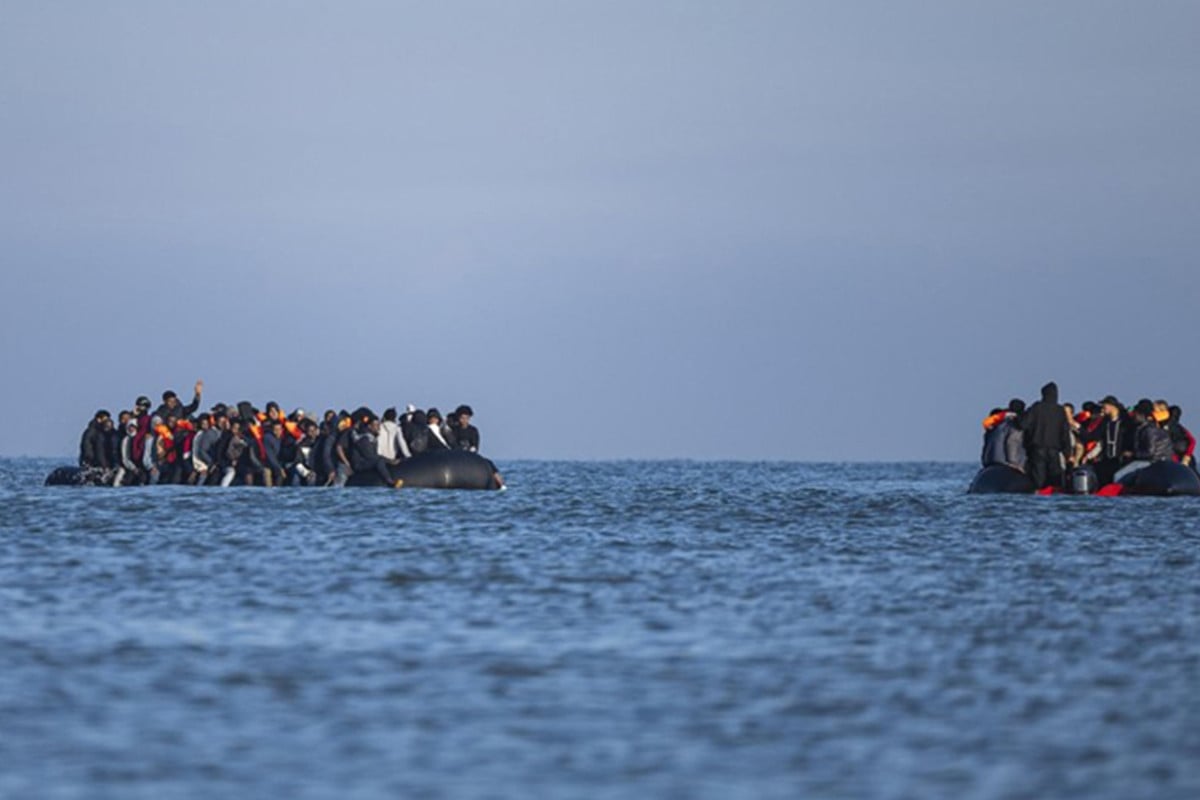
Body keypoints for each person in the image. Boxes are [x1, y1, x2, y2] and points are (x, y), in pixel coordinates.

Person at [1021, 382, 1072, 489]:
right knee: (1055, 480)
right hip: (1054, 450)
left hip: (1037, 448)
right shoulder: (1059, 410)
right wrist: (1068, 453)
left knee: (1038, 480)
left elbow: (1023, 424)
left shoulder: (1036, 408)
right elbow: (1065, 432)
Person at [1114, 399, 1175, 482]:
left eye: (1137, 413)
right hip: (1158, 460)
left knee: (1118, 476)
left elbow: (1150, 453)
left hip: (1153, 461)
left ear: (1143, 415)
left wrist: (1132, 454)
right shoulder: (1146, 428)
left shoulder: (1148, 430)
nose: (1134, 415)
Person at [981, 400, 1026, 472]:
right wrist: (1014, 464)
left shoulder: (997, 425)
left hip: (989, 463)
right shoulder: (1015, 424)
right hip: (1005, 463)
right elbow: (1012, 442)